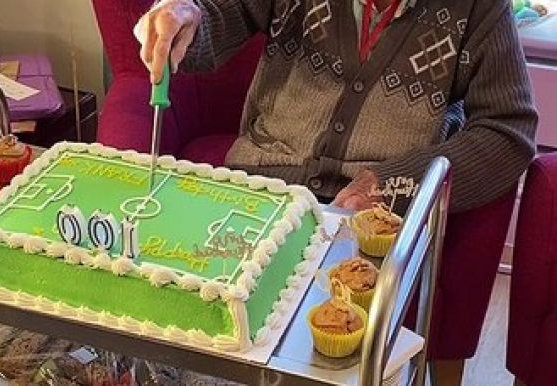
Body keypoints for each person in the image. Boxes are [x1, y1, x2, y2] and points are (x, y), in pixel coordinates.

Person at [135, 0, 537, 383]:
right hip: (263, 195)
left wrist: (393, 183)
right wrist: (186, 15)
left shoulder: (480, 9)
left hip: (367, 226)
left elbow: (509, 131)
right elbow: (216, 20)